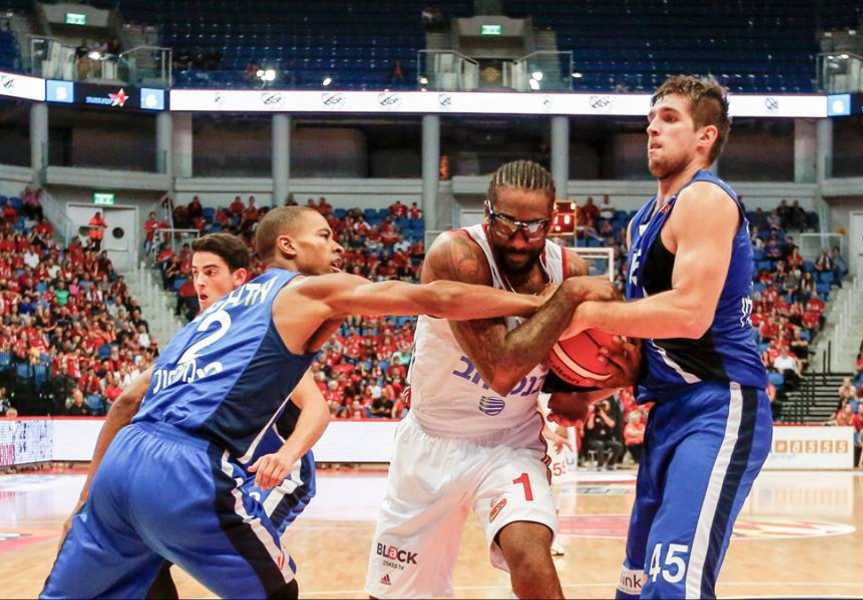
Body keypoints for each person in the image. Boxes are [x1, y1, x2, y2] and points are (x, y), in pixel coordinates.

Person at [43, 207, 568, 599]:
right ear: (288, 246)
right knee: (278, 592)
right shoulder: (301, 290)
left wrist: (85, 501)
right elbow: (434, 298)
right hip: (186, 468)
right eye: (325, 236)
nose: (337, 246)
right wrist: (537, 302)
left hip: (120, 467)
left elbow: (127, 401)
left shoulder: (211, 316)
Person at [365, 160, 638, 599]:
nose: (519, 238)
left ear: (552, 220)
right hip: (432, 441)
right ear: (487, 211)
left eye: (534, 226)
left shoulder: (568, 269)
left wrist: (603, 384)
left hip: (512, 443)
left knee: (531, 556)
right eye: (507, 222)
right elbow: (502, 370)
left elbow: (569, 399)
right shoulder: (458, 256)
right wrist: (565, 298)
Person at [563, 76, 773, 598]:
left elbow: (689, 315)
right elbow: (648, 340)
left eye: (670, 118)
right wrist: (587, 390)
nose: (653, 129)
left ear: (705, 137)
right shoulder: (640, 223)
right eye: (651, 120)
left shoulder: (705, 199)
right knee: (636, 587)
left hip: (718, 406)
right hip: (668, 410)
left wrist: (587, 315)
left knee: (673, 586)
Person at [57, 232, 330, 598]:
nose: (199, 281)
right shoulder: (200, 338)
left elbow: (318, 408)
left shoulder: (261, 331)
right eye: (195, 272)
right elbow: (126, 401)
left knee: (257, 578)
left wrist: (286, 454)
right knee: (148, 554)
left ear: (240, 279)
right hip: (209, 471)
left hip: (274, 477)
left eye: (211, 271)